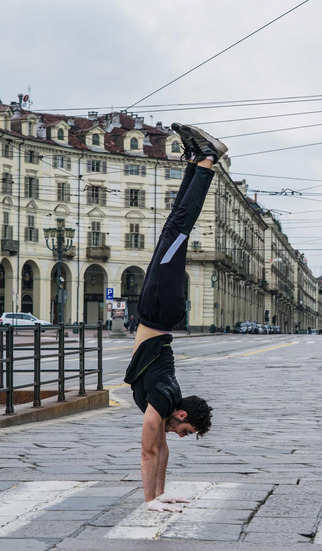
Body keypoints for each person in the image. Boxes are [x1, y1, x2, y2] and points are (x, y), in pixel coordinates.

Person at [124, 122, 224, 513]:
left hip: (159, 310)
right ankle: (207, 161)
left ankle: (197, 160)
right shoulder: (164, 400)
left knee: (172, 228)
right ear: (181, 414)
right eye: (187, 430)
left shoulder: (165, 407)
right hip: (160, 308)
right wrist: (150, 501)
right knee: (179, 229)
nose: (181, 435)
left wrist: (161, 494)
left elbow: (160, 452)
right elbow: (148, 452)